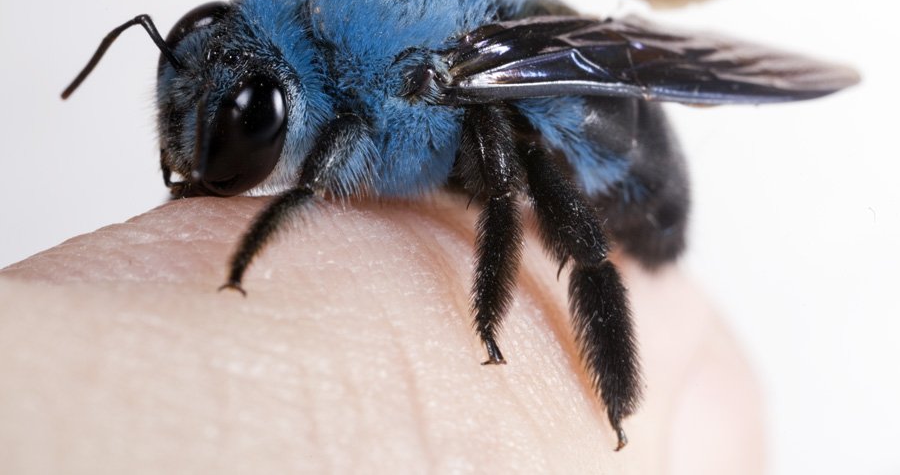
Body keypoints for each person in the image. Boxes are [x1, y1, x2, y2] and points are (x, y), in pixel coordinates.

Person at [0, 194, 763, 473]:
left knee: (511, 157)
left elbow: (501, 175)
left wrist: (489, 315)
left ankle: (620, 397)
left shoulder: (408, 80)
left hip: (624, 173)